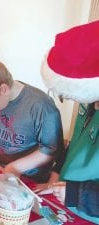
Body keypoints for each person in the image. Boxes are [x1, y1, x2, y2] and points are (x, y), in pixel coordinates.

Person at [37, 20, 99, 223]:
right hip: (69, 203)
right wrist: (56, 172)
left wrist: (76, 194)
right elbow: (76, 146)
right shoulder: (89, 101)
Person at [0, 58, 65, 183]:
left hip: (31, 177)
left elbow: (51, 149)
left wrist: (15, 167)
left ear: (4, 90)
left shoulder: (42, 106)